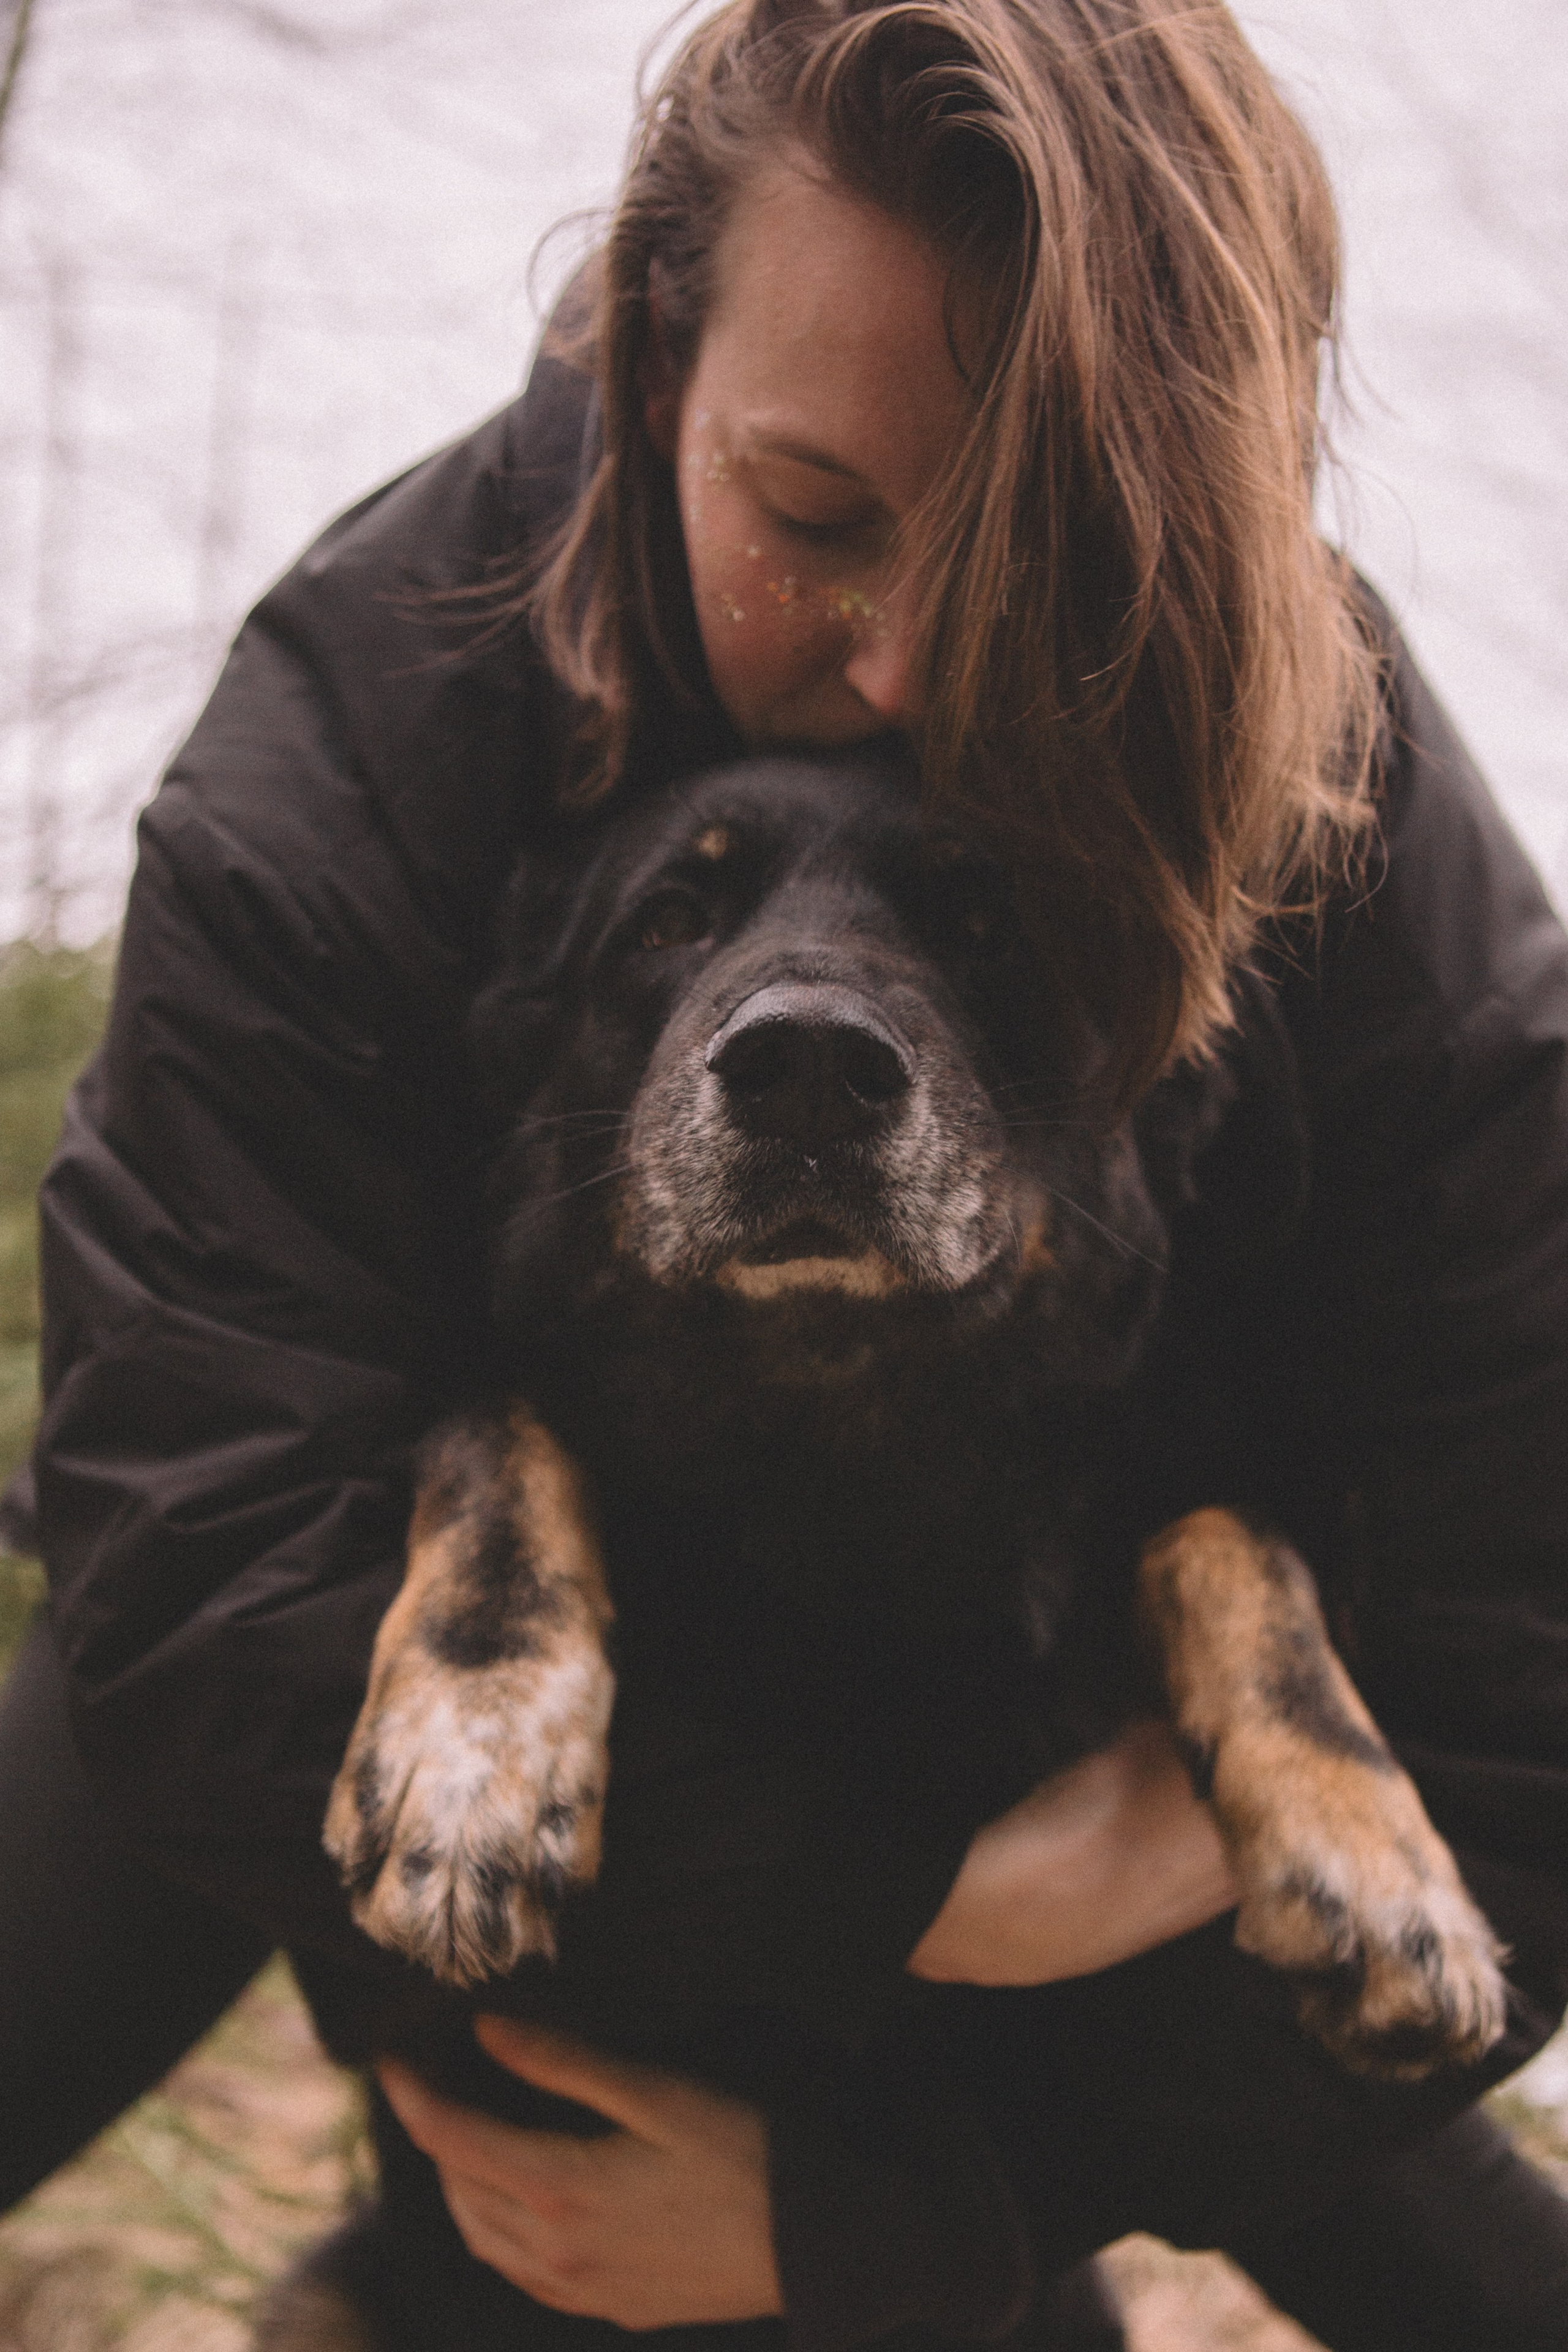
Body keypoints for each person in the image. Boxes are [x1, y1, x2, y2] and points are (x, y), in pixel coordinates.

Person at [3, 2, 1567, 2346]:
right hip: (483, 1624)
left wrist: (913, 2215)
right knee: (161, 1716)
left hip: (1055, 1660)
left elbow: (1529, 1696)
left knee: (1389, 2051)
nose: (916, 667)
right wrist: (934, 1892)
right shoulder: (369, 727)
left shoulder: (1356, 835)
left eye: (1051, 556)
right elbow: (194, 1544)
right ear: (656, 371)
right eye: (813, 519)